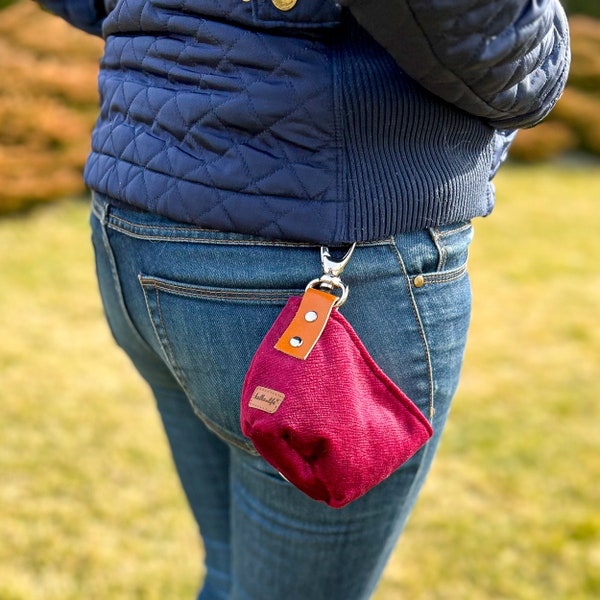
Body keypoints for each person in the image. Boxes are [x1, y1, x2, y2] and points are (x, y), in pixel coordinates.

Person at [33, 1, 570, 598]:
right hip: (306, 247)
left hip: (137, 226)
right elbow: (465, 24)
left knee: (231, 573)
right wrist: (547, 62)